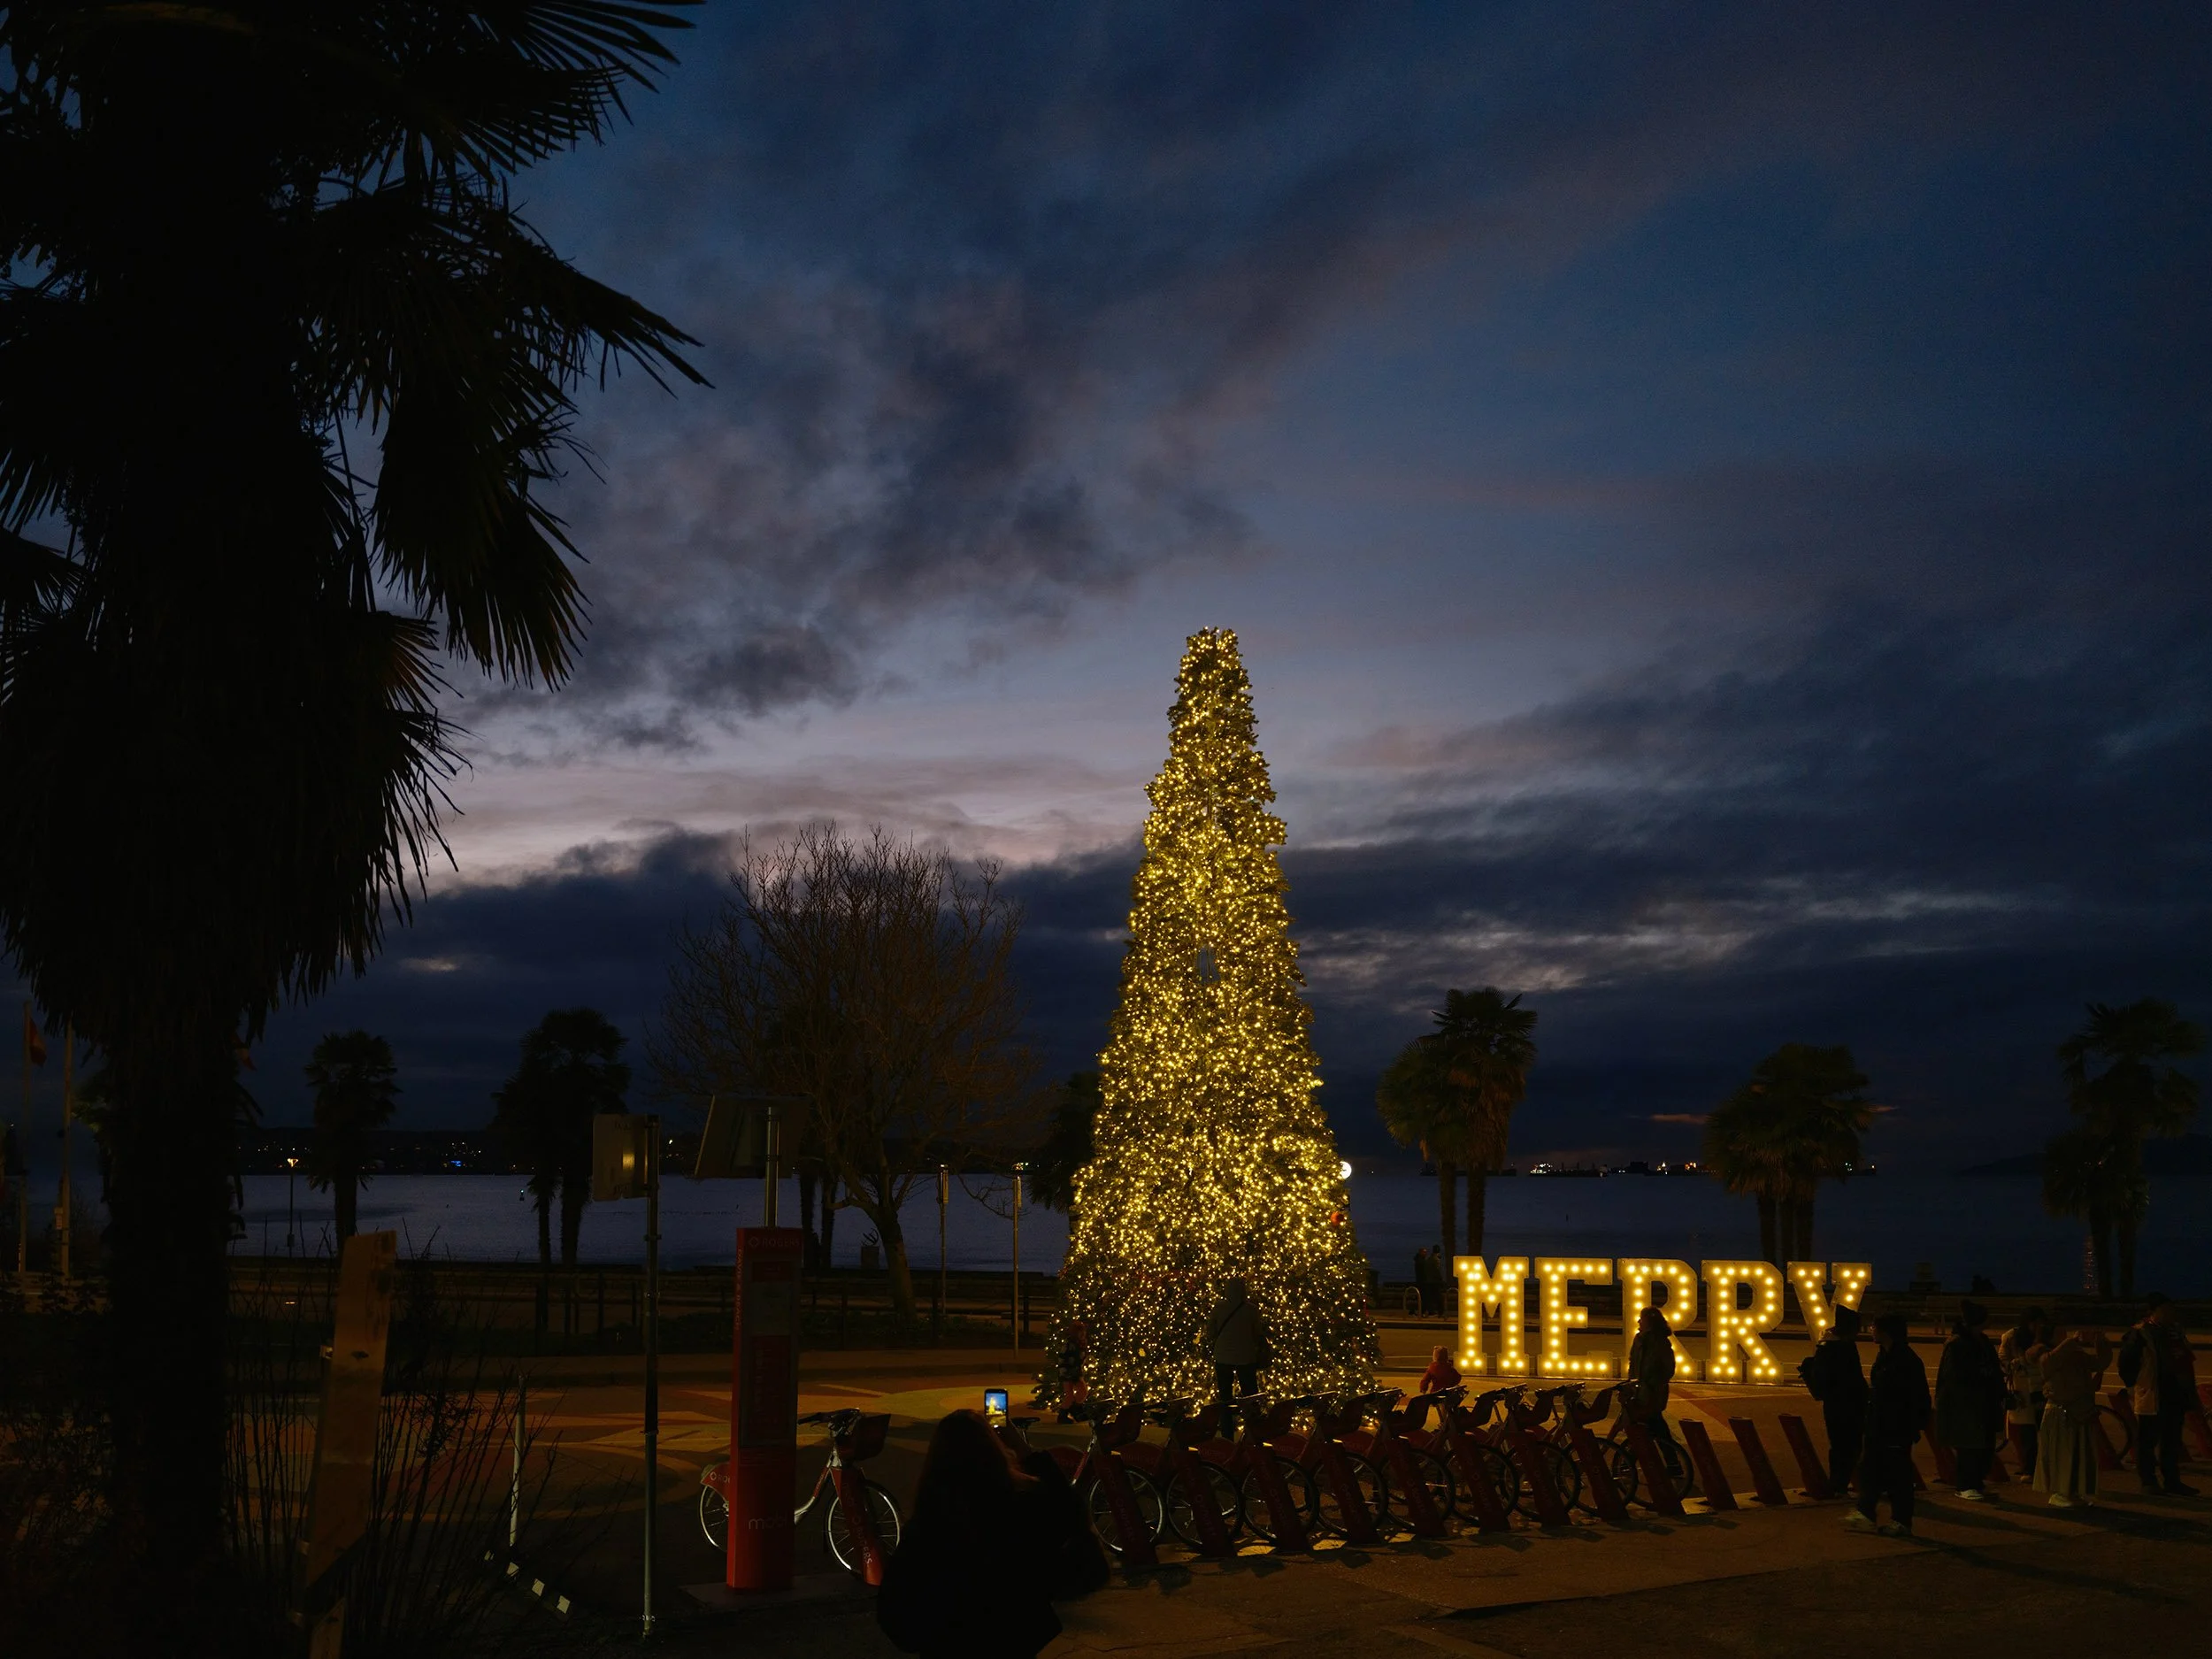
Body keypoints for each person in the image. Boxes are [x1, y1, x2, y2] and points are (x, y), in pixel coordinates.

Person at [877, 1409, 1105, 1658]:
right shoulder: (1021, 1509)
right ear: (995, 1452)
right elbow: (1070, 1514)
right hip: (1012, 1643)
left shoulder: (928, 1528)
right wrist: (1024, 1449)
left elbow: (894, 1609)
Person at [1845, 1312, 1929, 1537]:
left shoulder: (1905, 1360)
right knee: (1870, 1470)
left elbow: (1915, 1397)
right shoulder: (1885, 1355)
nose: (1871, 1330)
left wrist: (1911, 1426)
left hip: (1895, 1428)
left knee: (1898, 1476)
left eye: (1874, 1327)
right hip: (1879, 1426)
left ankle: (1900, 1521)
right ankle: (1866, 1514)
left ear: (1886, 1332)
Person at [2119, 1294, 2200, 1496]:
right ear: (2153, 1311)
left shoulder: (2175, 1331)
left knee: (2172, 1440)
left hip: (2175, 1393)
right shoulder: (2140, 1333)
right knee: (2147, 1440)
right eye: (2166, 1309)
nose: (2171, 1313)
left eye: (2172, 1309)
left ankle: (2172, 1481)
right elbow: (2127, 1363)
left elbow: (2185, 1359)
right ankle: (2148, 1481)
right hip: (2153, 1392)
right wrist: (2137, 1384)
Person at [1935, 1300, 2007, 1502]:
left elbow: (1994, 1370)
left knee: (1984, 1446)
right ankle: (1965, 1485)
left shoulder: (1982, 1341)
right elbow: (1954, 1377)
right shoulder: (1958, 1344)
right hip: (1966, 1404)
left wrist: (2001, 1392)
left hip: (1984, 1402)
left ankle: (1976, 1483)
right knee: (1968, 1446)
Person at [2032, 1326, 2108, 1508]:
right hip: (2060, 1411)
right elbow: (2048, 1363)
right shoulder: (2041, 1352)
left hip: (2079, 1410)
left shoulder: (2073, 1353)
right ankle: (2059, 1493)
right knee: (2061, 1455)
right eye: (2060, 1333)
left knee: (2077, 1455)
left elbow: (2099, 1363)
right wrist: (2071, 1342)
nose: (2064, 1335)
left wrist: (2101, 1341)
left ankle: (2072, 1491)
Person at [1801, 1305, 1870, 1494]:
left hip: (1838, 1403)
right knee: (1847, 1445)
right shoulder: (1840, 1348)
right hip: (1845, 1404)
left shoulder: (1831, 1345)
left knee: (1842, 1445)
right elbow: (1851, 1378)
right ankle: (1839, 1484)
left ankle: (1840, 1483)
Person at [1624, 1306, 1682, 1464]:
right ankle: (1671, 1463)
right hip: (1639, 1391)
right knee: (1648, 1427)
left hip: (1653, 1393)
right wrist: (1631, 1383)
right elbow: (1633, 1363)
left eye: (1642, 1318)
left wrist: (1651, 1384)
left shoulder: (1660, 1342)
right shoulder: (1639, 1339)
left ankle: (1629, 1462)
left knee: (1649, 1426)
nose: (1638, 1321)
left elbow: (1667, 1368)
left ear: (1649, 1321)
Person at [1206, 1276, 1270, 1417]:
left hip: (1223, 1356)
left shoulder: (1219, 1307)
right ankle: (1252, 1421)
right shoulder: (1251, 1310)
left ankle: (1227, 1423)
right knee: (1250, 1394)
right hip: (1245, 1356)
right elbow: (1257, 1333)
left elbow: (1210, 1332)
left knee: (1225, 1396)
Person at [1999, 1308, 2051, 1484]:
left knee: (2046, 1429)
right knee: (2027, 1432)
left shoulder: (2048, 1337)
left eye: (2040, 1323)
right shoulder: (2012, 1337)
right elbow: (2003, 1360)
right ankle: (2029, 1469)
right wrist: (2017, 1364)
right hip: (2023, 1390)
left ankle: (2046, 1468)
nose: (2037, 1326)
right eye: (2034, 1322)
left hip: (2043, 1387)